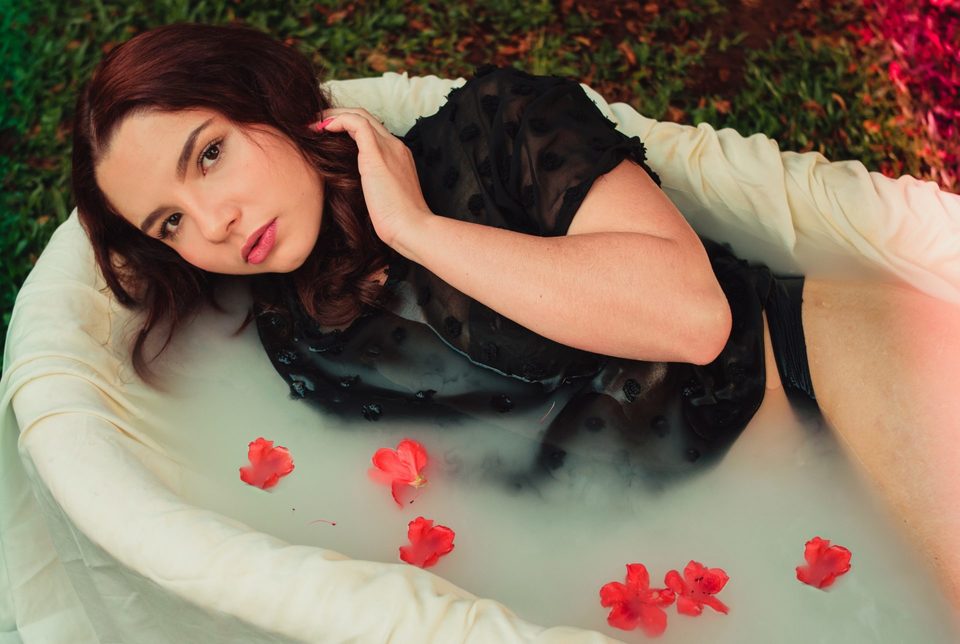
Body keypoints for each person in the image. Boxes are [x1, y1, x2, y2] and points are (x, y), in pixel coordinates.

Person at [72, 23, 960, 607]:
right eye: (170, 223)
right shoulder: (300, 342)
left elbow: (691, 319)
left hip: (805, 371)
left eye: (210, 155)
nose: (215, 222)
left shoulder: (498, 125)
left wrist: (417, 231)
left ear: (269, 101)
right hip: (706, 542)